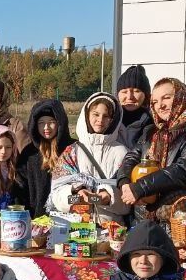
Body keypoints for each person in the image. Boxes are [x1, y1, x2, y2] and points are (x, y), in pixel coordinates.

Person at [116, 78, 186, 223]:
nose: (160, 106)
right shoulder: (151, 131)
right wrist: (124, 182)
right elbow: (131, 157)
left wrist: (140, 188)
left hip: (183, 217)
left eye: (166, 98)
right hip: (145, 216)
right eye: (155, 102)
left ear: (181, 98)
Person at [49, 92, 131, 225]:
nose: (100, 120)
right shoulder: (72, 152)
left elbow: (129, 200)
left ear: (113, 119)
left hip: (111, 231)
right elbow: (57, 195)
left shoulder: (123, 153)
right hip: (76, 230)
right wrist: (76, 194)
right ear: (87, 115)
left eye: (106, 116)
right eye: (96, 114)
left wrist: (107, 197)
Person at [14, 100, 74, 218]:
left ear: (60, 123)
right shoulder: (29, 153)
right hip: (36, 220)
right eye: (41, 123)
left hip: (68, 219)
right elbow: (20, 189)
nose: (46, 127)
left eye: (51, 122)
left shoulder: (72, 149)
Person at [116, 65, 153, 150]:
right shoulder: (108, 119)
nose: (129, 97)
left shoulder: (154, 123)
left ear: (146, 95)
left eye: (136, 91)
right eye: (124, 91)